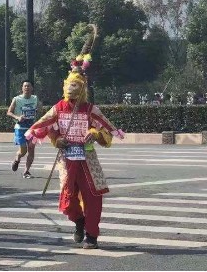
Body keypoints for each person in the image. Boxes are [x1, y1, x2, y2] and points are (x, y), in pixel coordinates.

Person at [25, 24, 125, 249]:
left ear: (83, 87)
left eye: (76, 86)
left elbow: (107, 128)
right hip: (67, 159)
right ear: (65, 86)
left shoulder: (90, 109)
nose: (72, 89)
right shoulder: (58, 107)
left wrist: (94, 133)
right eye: (69, 85)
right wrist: (55, 140)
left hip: (88, 159)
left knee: (93, 197)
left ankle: (92, 235)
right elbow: (44, 125)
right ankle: (78, 220)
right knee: (68, 200)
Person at [7, 80, 41, 179]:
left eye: (28, 86)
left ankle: (26, 171)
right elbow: (9, 112)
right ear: (22, 88)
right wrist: (17, 117)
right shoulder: (16, 99)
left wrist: (38, 113)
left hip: (31, 128)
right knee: (23, 151)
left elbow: (40, 109)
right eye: (25, 86)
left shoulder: (35, 98)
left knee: (31, 149)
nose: (26, 88)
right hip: (20, 128)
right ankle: (17, 159)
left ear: (32, 88)